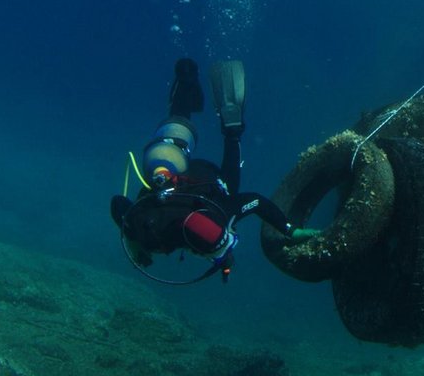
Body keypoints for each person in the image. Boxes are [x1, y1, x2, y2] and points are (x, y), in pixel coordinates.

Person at [110, 58, 291, 284]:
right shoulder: (143, 227)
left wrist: (288, 229)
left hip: (208, 179)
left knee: (229, 179)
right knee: (172, 140)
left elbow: (255, 202)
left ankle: (231, 129)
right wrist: (133, 238)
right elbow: (118, 203)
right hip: (175, 172)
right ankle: (186, 84)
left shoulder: (222, 215)